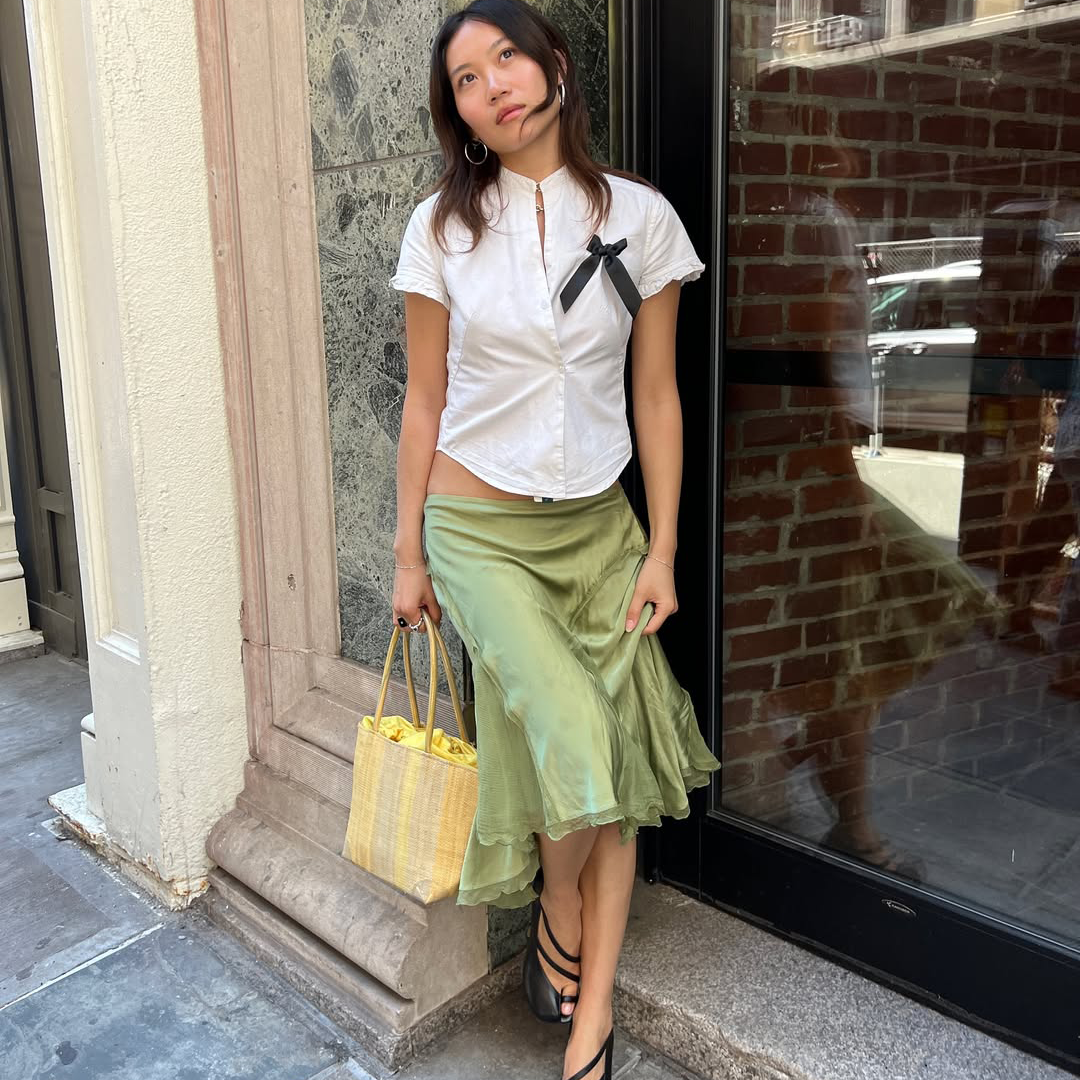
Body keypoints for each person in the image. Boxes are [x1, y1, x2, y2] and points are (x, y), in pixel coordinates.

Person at [388, 3, 721, 1078]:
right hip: (478, 528)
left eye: (508, 59)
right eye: (469, 80)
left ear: (556, 68)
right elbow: (423, 400)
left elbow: (657, 395)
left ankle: (592, 1014)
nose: (496, 85)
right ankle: (561, 897)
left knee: (606, 764)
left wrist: (662, 547)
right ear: (463, 117)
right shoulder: (440, 230)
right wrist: (408, 554)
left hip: (601, 530)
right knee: (576, 728)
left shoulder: (643, 220)